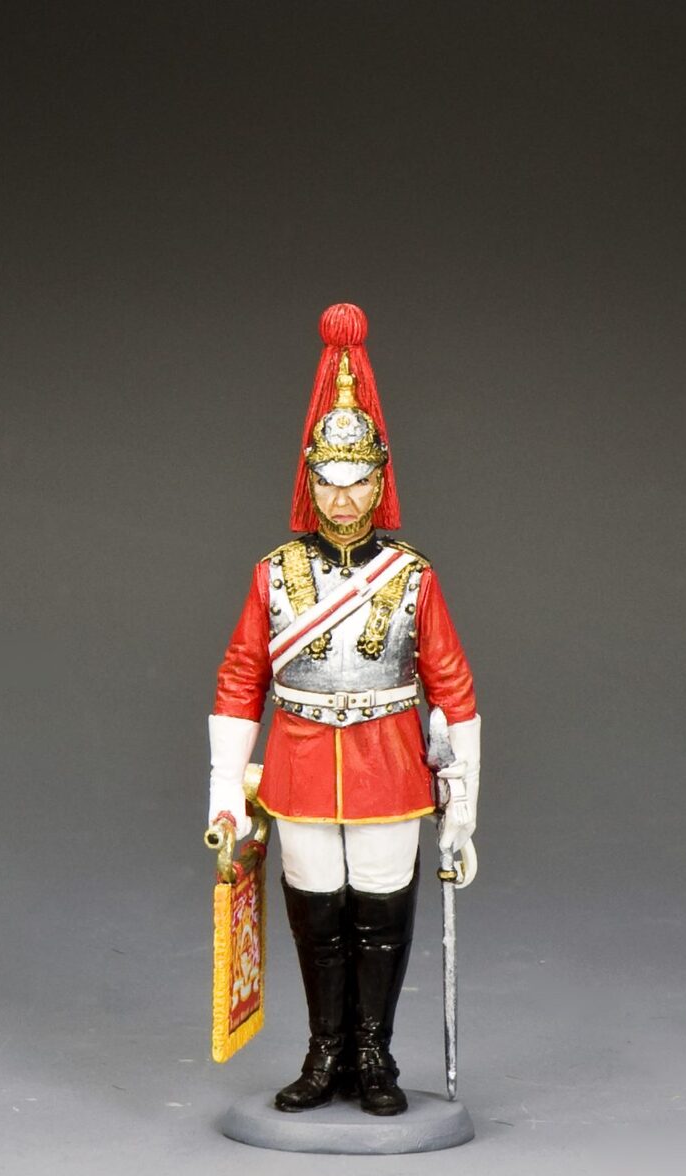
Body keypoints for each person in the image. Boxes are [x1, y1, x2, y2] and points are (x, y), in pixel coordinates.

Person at [208, 302, 480, 1116]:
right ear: (310, 481)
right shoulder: (273, 573)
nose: (341, 498)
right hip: (298, 762)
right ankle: (326, 1050)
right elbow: (240, 677)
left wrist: (462, 804)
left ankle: (374, 1052)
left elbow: (452, 686)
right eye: (327, 481)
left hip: (389, 763)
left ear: (379, 479)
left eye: (356, 480)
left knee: (382, 909)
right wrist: (226, 792)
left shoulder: (412, 577)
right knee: (316, 910)